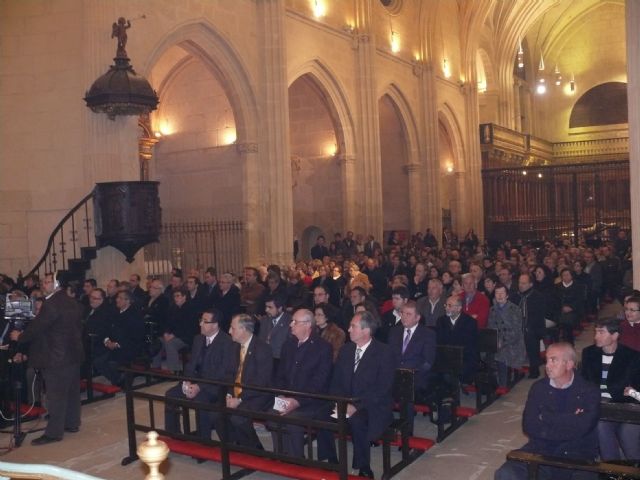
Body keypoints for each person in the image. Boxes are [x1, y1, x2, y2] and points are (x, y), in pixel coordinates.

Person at [494, 343, 600, 480]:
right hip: (541, 450)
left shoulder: (589, 391)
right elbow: (529, 425)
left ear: (569, 364)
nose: (548, 365)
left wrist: (547, 418)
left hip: (576, 455)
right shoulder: (539, 388)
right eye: (547, 360)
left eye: (553, 360)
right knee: (506, 473)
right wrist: (570, 418)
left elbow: (584, 427)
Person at [318, 311, 395, 479]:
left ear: (366, 331)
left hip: (372, 405)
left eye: (353, 326)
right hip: (346, 402)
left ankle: (363, 466)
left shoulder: (384, 352)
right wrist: (340, 402)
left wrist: (356, 406)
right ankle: (330, 460)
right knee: (321, 414)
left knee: (358, 420)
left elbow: (382, 388)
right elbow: (336, 381)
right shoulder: (346, 349)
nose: (348, 329)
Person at [10, 272, 84, 445]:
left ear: (57, 284)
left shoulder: (51, 304)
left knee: (56, 395)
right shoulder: (70, 301)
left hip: (56, 356)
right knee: (71, 392)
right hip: (72, 354)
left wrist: (19, 336)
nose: (43, 284)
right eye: (43, 281)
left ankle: (54, 433)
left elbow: (37, 327)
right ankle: (72, 423)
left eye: (47, 282)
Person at [164, 309, 238, 440]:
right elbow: (191, 365)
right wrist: (187, 382)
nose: (200, 324)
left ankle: (204, 441)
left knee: (200, 400)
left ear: (215, 325)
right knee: (170, 395)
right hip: (196, 382)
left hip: (215, 386)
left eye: (205, 322)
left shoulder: (227, 342)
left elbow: (222, 373)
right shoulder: (198, 339)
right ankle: (174, 435)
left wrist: (199, 386)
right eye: (200, 321)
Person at [269, 309, 333, 457]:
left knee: (292, 420)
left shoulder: (323, 348)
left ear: (307, 325)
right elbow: (280, 375)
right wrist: (281, 394)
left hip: (311, 401)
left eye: (295, 322)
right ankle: (281, 455)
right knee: (272, 417)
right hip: (287, 397)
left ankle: (296, 460)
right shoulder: (288, 345)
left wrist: (297, 401)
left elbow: (320, 382)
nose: (291, 324)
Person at [580, 318, 640, 461]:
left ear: (615, 335)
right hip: (600, 406)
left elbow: (635, 390)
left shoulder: (632, 357)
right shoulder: (589, 353)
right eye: (596, 332)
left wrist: (628, 392)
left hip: (626, 407)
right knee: (601, 426)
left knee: (629, 440)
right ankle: (611, 470)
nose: (596, 337)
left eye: (601, 332)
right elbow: (583, 383)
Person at [224, 314, 273, 449]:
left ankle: (255, 450)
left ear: (243, 329)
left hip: (258, 394)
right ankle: (236, 444)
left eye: (232, 328)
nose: (229, 331)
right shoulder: (234, 347)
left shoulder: (262, 349)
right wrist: (229, 394)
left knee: (238, 417)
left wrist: (239, 399)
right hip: (237, 392)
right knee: (215, 412)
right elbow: (229, 374)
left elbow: (261, 382)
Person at [388, 301, 436, 435]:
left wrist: (411, 375)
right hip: (396, 375)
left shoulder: (427, 334)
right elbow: (389, 356)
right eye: (402, 313)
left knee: (406, 395)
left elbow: (427, 362)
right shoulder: (395, 332)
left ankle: (407, 435)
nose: (404, 317)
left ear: (417, 317)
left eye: (408, 314)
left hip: (416, 376)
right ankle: (386, 428)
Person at [488, 284, 527, 387]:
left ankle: (503, 384)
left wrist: (502, 342)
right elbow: (491, 328)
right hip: (497, 342)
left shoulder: (514, 309)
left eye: (502, 293)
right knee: (485, 354)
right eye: (497, 293)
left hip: (513, 343)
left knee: (501, 355)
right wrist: (495, 341)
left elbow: (516, 331)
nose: (499, 295)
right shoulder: (492, 310)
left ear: (507, 295)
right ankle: (491, 383)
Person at [435, 295, 478, 384]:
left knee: (450, 372)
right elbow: (439, 341)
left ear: (459, 308)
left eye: (450, 305)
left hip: (463, 357)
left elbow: (469, 346)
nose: (446, 308)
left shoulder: (469, 322)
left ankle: (452, 392)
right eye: (446, 305)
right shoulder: (441, 321)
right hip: (445, 356)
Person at [515, 273, 546, 378]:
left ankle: (534, 369)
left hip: (532, 327)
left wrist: (528, 326)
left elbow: (538, 316)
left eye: (524, 283)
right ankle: (517, 370)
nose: (520, 285)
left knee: (530, 338)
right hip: (517, 327)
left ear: (531, 284)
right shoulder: (515, 295)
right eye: (519, 283)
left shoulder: (537, 296)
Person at [258, 295, 292, 372]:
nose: (266, 310)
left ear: (280, 308)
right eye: (266, 307)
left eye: (270, 307)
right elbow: (260, 340)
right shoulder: (264, 320)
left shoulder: (290, 321)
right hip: (264, 359)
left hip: (281, 362)